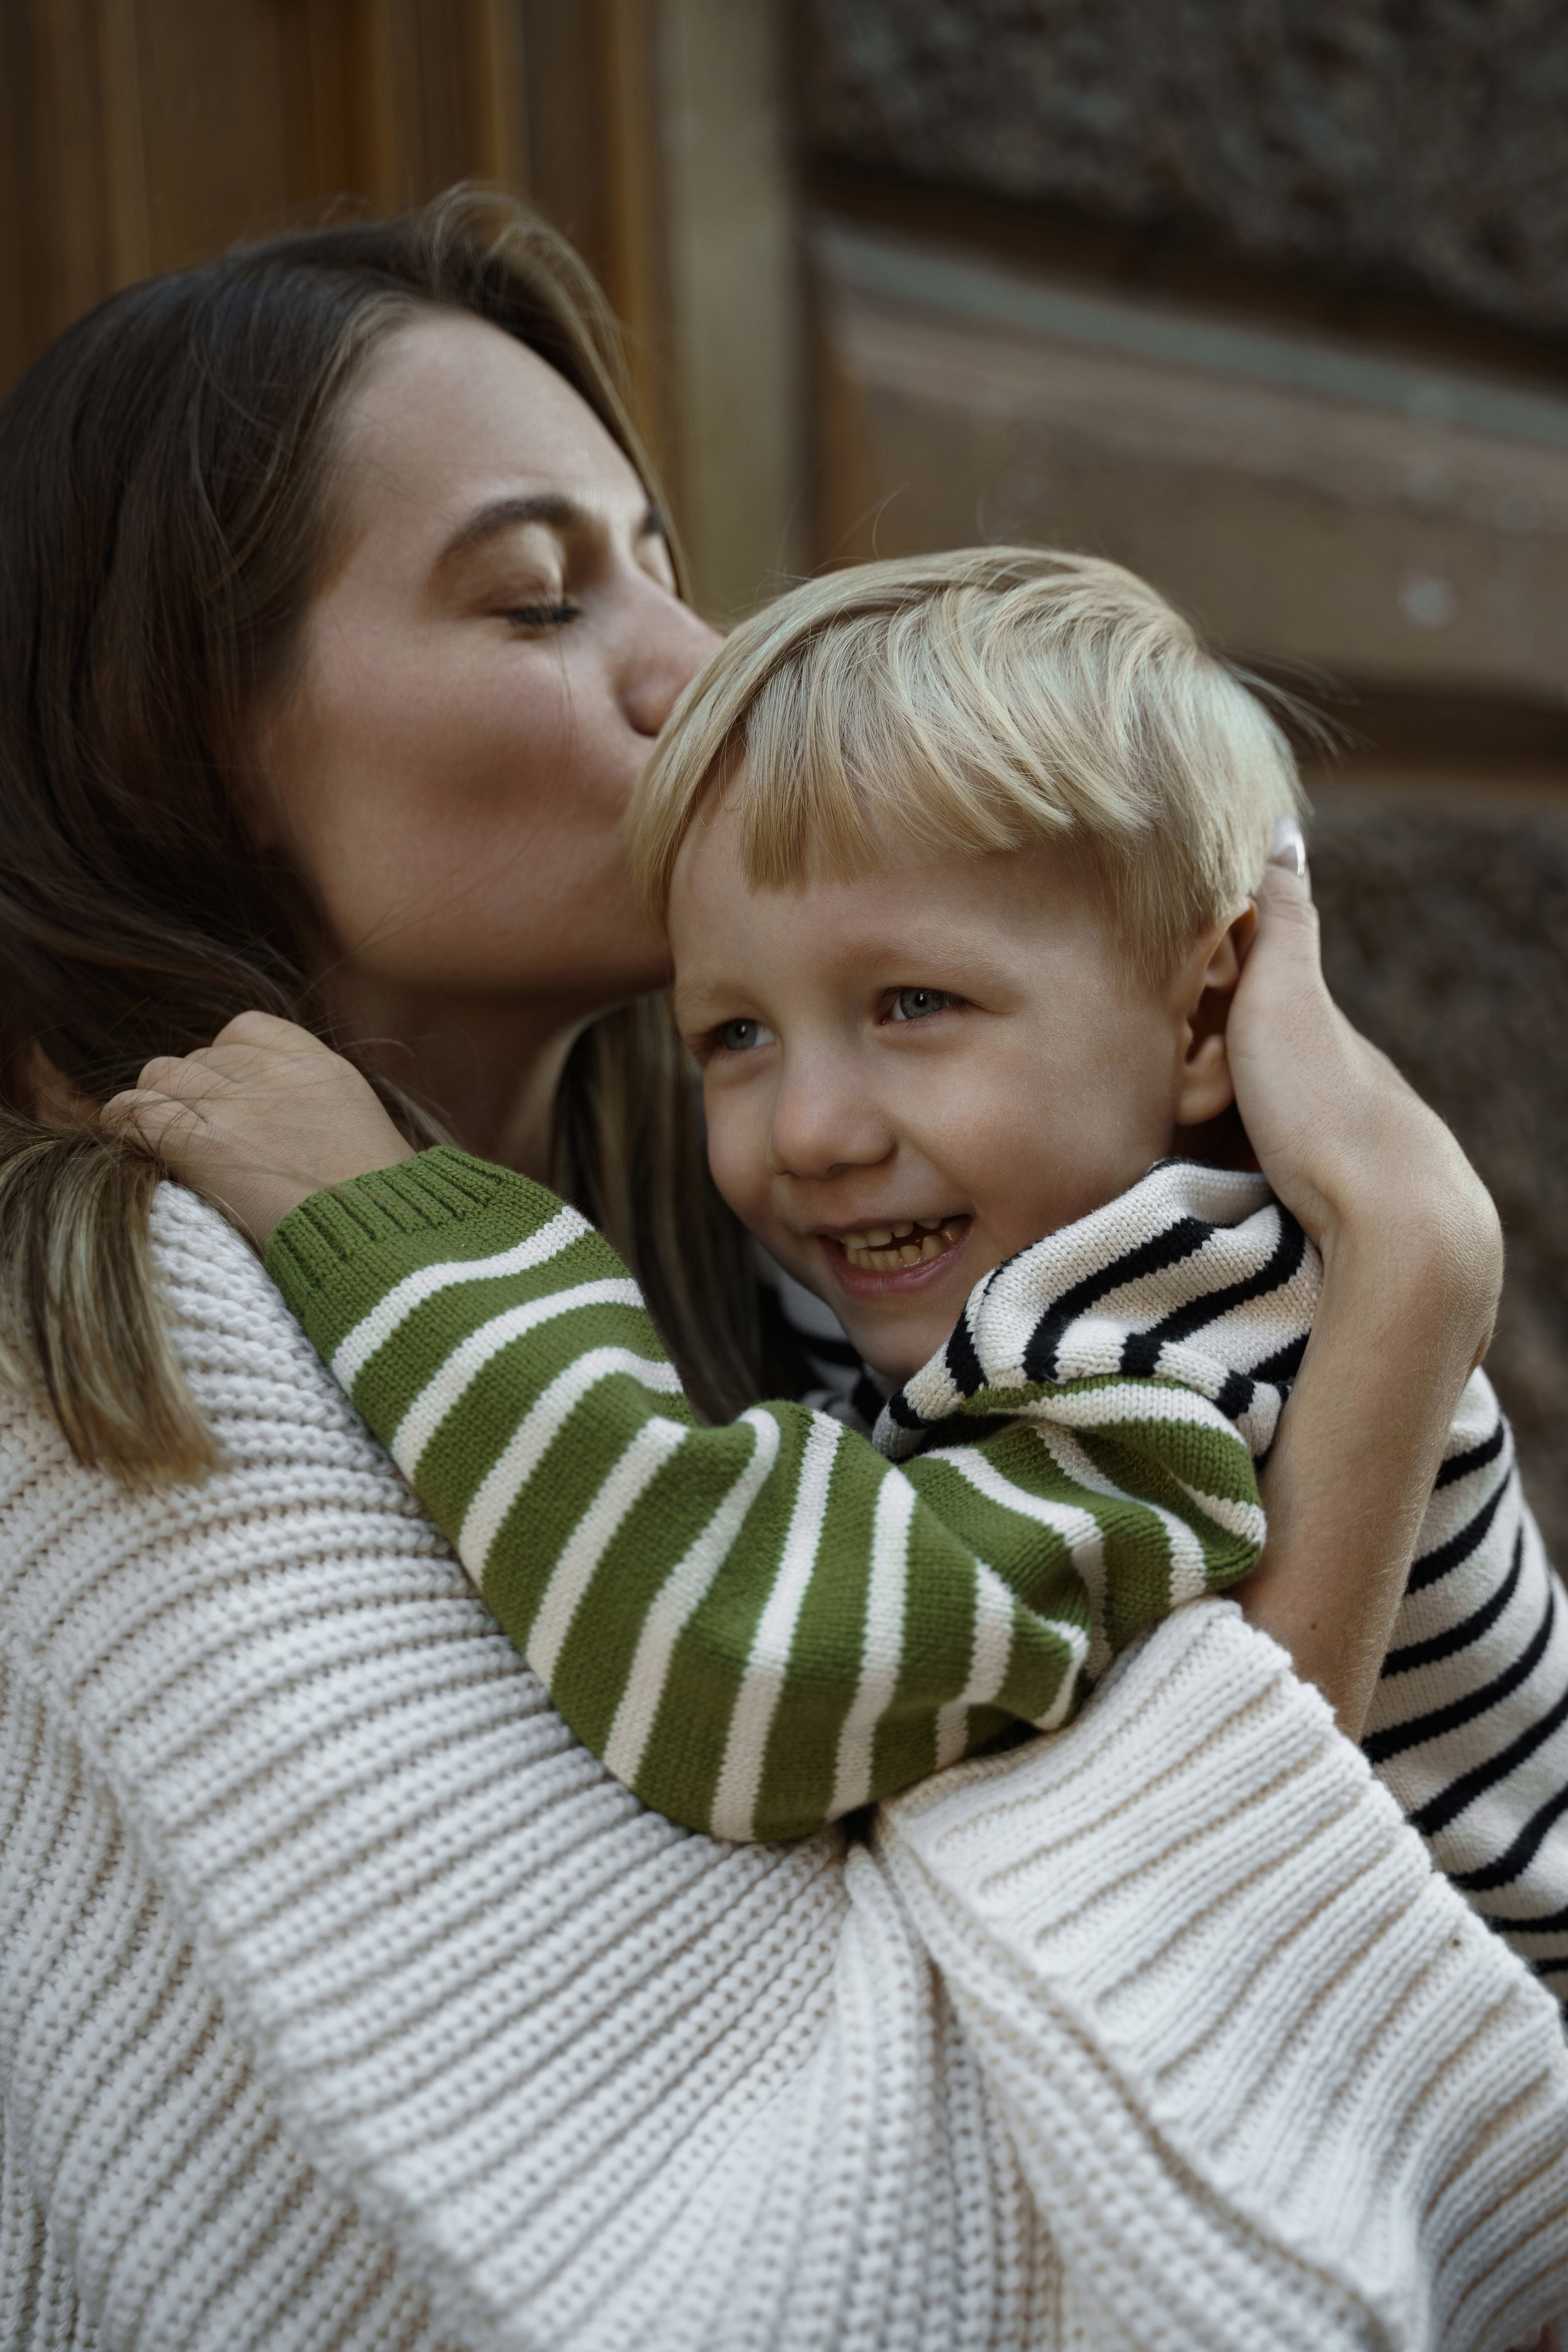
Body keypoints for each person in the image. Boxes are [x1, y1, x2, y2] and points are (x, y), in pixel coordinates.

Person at [1, 189, 1564, 2351]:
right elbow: (827, 2234)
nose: (690, 664)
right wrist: (1408, 1286)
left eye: (659, 563)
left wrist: (1398, 1286)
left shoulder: (835, 1265)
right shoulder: (141, 1308)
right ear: (180, 724)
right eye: (542, 601)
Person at [115, 548, 1568, 2004]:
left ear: (1204, 1014)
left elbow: (754, 1674)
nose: (806, 1133)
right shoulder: (974, 1251)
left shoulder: (1174, 1318)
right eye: (732, 1036)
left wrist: (396, 1234)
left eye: (913, 1003)